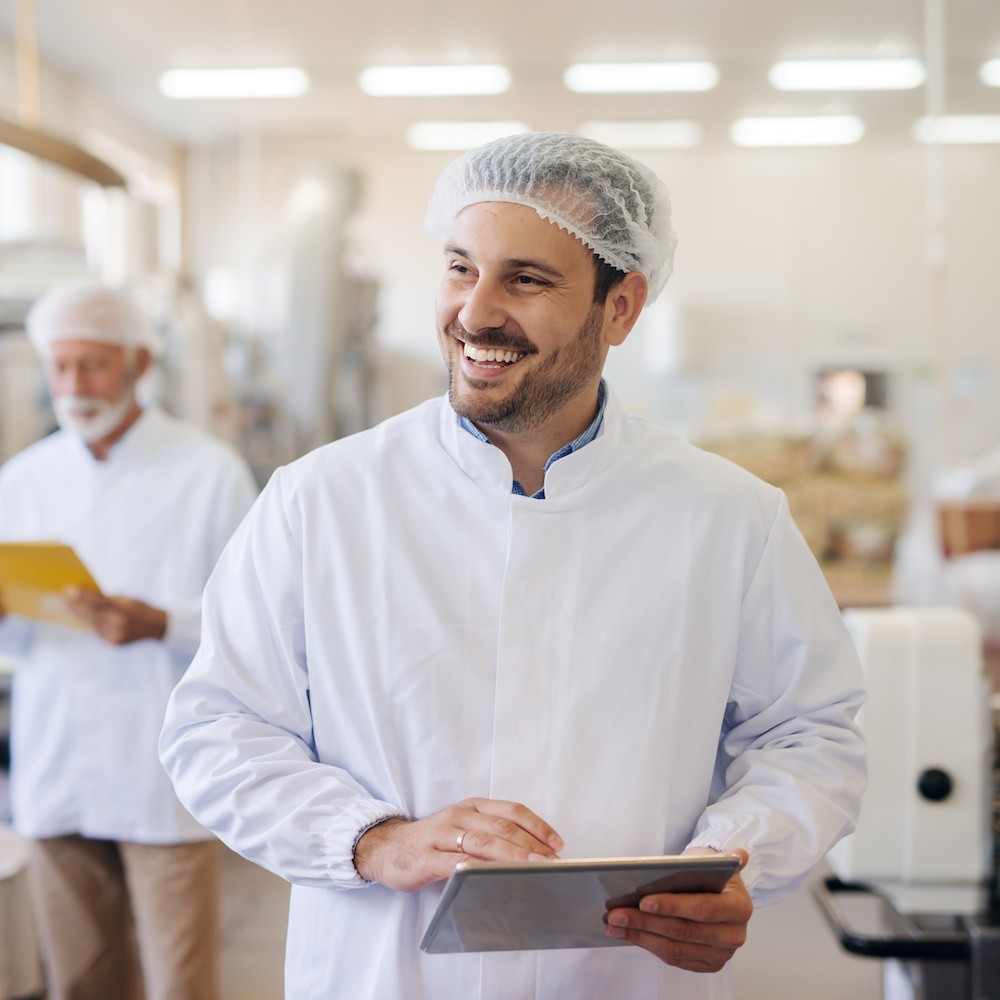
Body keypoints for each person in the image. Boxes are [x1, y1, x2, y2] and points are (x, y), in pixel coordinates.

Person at [159, 132, 867, 1000]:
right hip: (389, 974)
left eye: (525, 279)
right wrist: (372, 840)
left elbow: (810, 734)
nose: (476, 311)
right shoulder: (322, 501)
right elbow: (217, 727)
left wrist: (732, 861)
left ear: (621, 307)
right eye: (460, 268)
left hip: (628, 978)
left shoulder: (729, 517)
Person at [0, 280, 258, 1000]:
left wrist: (162, 623)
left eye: (93, 365)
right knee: (81, 979)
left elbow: (257, 626)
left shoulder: (209, 472)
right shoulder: (23, 479)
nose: (73, 386)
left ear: (140, 363)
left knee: (181, 981)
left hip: (164, 769)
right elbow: (16, 635)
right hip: (56, 759)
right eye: (60, 367)